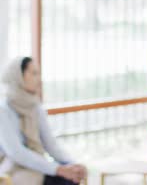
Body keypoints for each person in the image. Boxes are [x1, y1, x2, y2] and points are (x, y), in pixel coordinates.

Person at [0, 57, 87, 185]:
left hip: (37, 166)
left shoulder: (35, 107)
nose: (39, 79)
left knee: (71, 179)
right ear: (18, 77)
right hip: (12, 171)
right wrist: (57, 169)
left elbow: (51, 145)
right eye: (34, 73)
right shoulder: (3, 110)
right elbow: (16, 152)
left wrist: (72, 164)